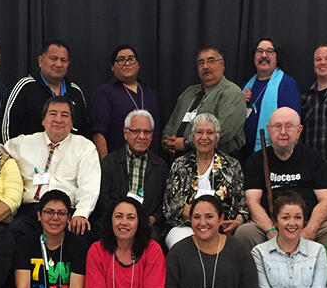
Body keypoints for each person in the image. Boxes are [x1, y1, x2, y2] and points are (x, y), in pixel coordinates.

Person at [235, 107, 327, 249]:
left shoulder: (313, 158)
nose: (282, 132)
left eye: (289, 127)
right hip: (269, 224)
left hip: (308, 223)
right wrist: (270, 231)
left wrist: (311, 228)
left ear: (299, 130)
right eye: (277, 126)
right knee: (244, 233)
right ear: (269, 129)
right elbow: (252, 201)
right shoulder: (256, 160)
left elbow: (326, 200)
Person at [4, 96, 101, 240]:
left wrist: (81, 213)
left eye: (65, 115)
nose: (58, 119)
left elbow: (90, 186)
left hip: (67, 213)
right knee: (10, 234)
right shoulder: (24, 143)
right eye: (53, 114)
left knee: (84, 236)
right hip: (33, 211)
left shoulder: (85, 147)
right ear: (43, 120)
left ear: (72, 122)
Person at [163, 113, 247, 249]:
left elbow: (242, 205)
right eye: (199, 132)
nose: (204, 137)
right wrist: (201, 221)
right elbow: (171, 205)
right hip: (185, 227)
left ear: (217, 136)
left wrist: (237, 221)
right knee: (183, 245)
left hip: (221, 229)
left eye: (210, 133)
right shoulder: (180, 164)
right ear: (193, 136)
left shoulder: (232, 165)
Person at [94, 110, 169, 243]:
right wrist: (122, 217)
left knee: (154, 238)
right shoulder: (109, 162)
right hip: (114, 221)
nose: (142, 136)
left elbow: (164, 204)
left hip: (147, 224)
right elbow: (102, 198)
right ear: (125, 133)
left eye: (147, 132)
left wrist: (152, 219)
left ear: (152, 136)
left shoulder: (161, 166)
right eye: (136, 131)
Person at [161, 46, 246, 158]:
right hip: (181, 161)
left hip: (217, 162)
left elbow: (223, 131)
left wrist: (186, 143)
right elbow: (172, 123)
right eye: (201, 63)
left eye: (211, 61)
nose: (205, 66)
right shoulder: (188, 92)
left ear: (222, 64)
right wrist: (168, 142)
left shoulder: (232, 92)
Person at [2, 40, 90, 142]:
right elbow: (5, 128)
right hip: (28, 156)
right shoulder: (25, 88)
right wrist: (10, 157)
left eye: (63, 60)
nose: (58, 64)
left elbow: (85, 131)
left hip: (69, 156)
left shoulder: (76, 92)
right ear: (40, 61)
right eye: (53, 59)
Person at [89, 45, 162, 157]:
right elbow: (98, 133)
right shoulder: (104, 93)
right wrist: (106, 166)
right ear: (112, 67)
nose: (127, 63)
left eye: (131, 59)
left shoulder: (149, 93)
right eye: (121, 60)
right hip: (117, 165)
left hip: (150, 164)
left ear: (138, 65)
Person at [241, 37, 301, 161]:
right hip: (245, 155)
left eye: (269, 51)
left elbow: (293, 124)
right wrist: (238, 100)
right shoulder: (246, 86)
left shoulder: (286, 84)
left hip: (274, 155)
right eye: (259, 51)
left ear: (277, 57)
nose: (264, 55)